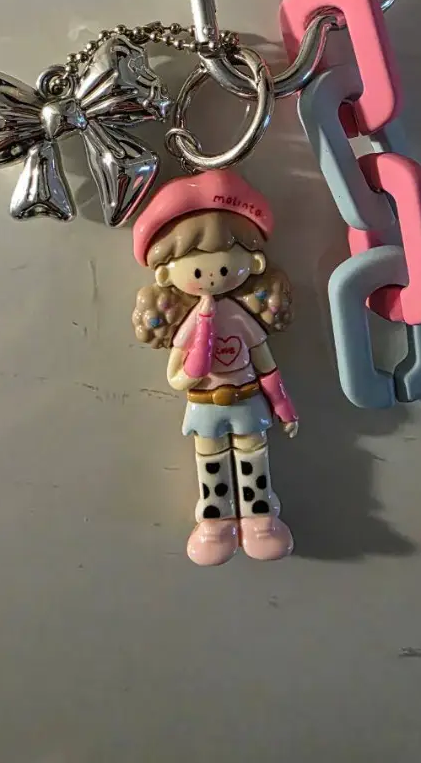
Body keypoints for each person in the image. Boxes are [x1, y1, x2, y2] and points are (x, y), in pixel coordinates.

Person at [132, 169, 299, 566]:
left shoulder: (240, 318)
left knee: (253, 458)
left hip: (247, 400)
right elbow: (175, 375)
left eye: (224, 267)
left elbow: (266, 365)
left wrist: (283, 407)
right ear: (165, 273)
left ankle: (260, 518)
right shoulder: (190, 325)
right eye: (195, 269)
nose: (210, 277)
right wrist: (189, 374)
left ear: (253, 263)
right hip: (204, 404)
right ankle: (215, 521)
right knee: (210, 463)